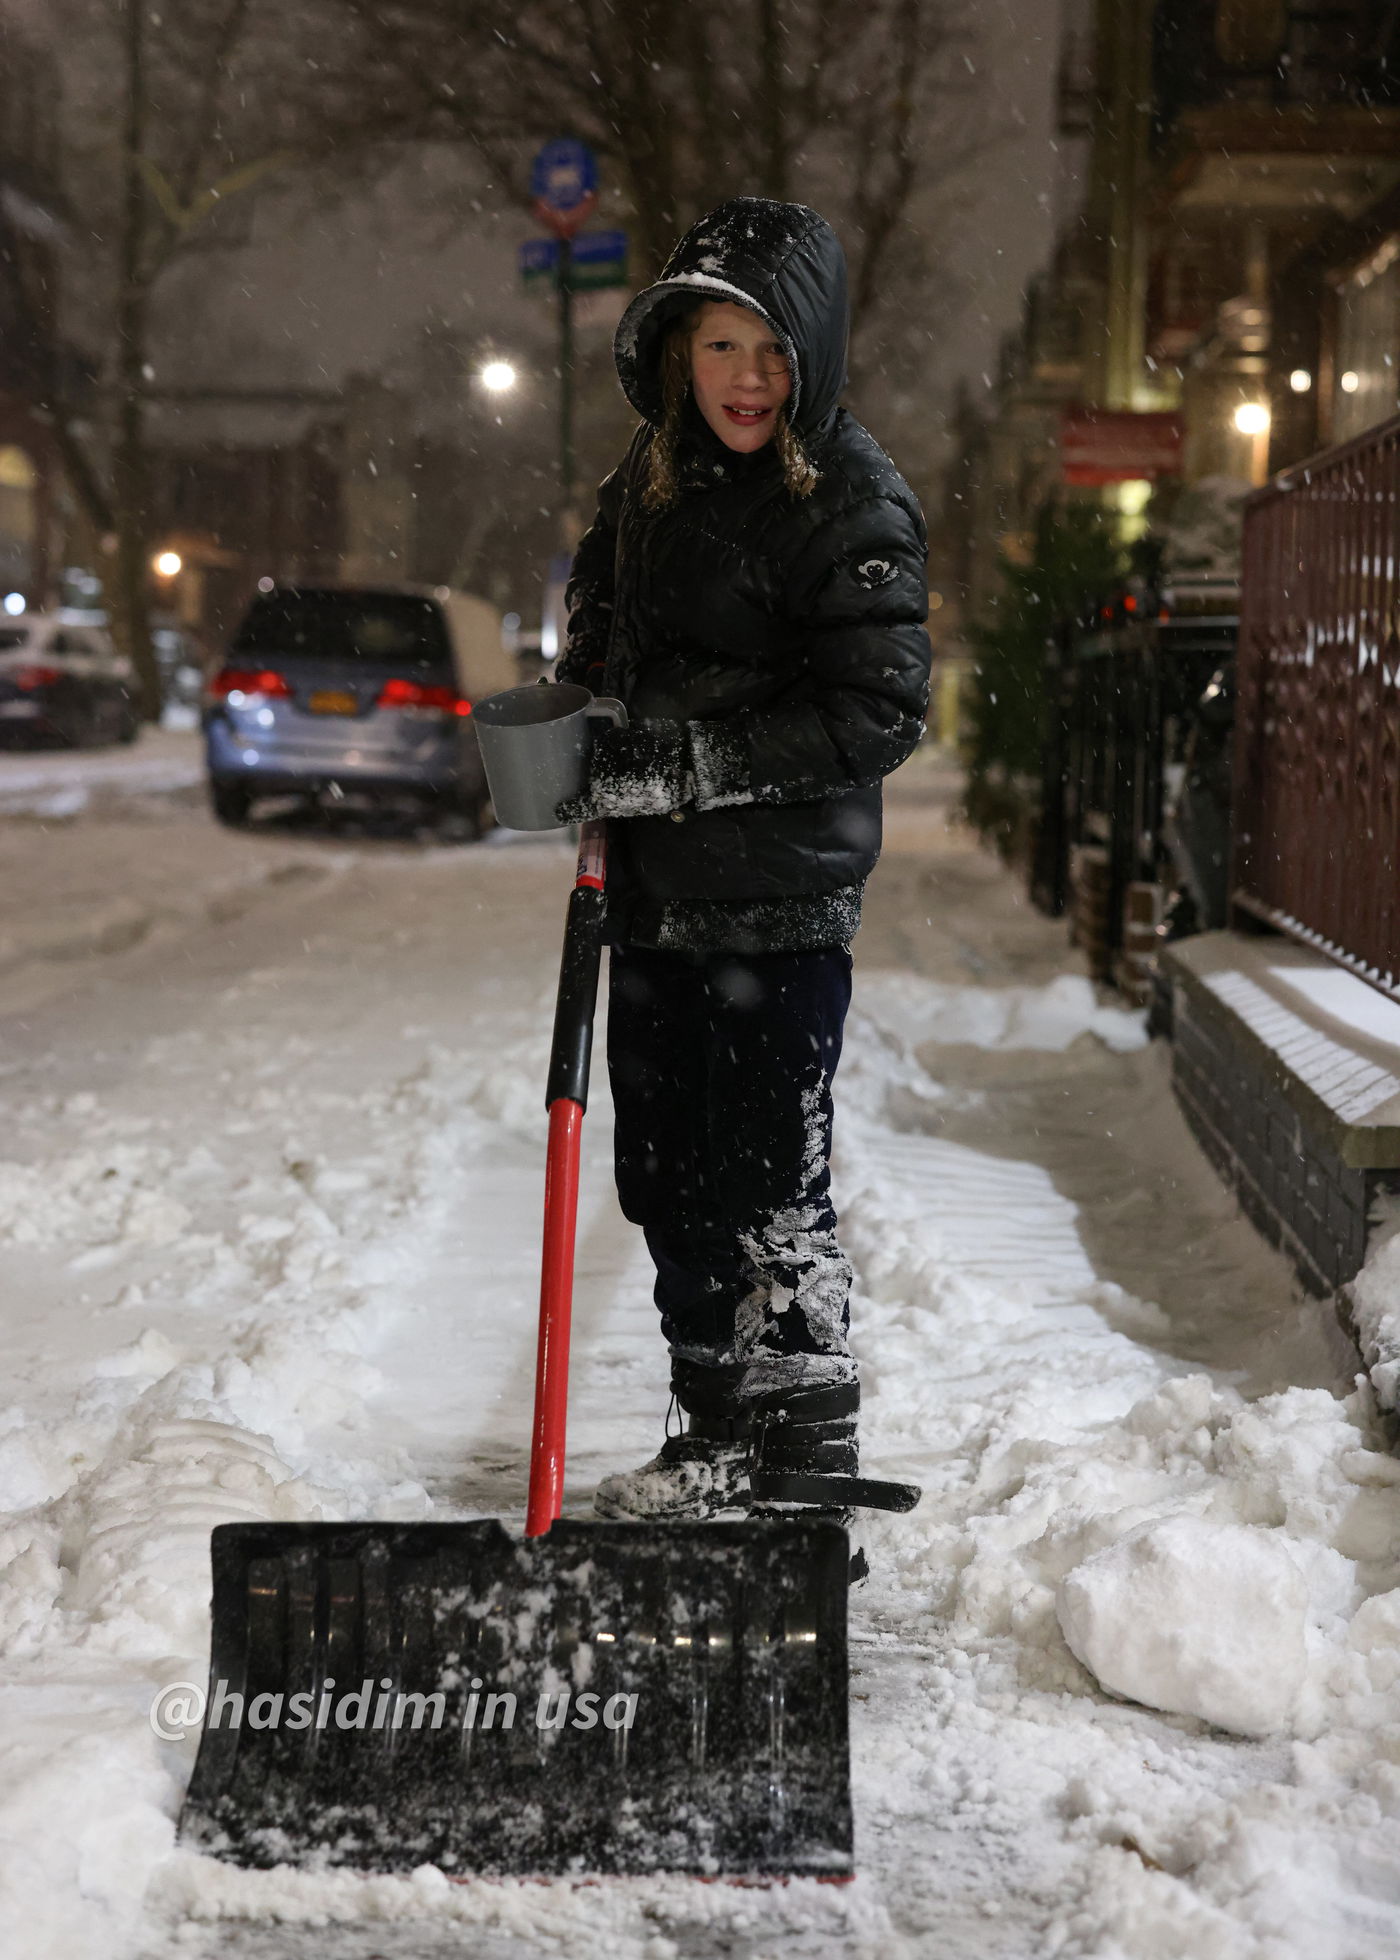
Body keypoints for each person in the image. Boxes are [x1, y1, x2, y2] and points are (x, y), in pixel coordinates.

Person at [555, 196, 931, 1526]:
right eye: (723, 346)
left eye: (774, 350)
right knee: (668, 1183)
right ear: (678, 354)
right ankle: (712, 1435)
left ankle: (805, 1463)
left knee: (774, 1192)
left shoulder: (847, 492)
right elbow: (605, 647)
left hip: (777, 915)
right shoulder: (645, 486)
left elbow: (878, 709)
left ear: (812, 357)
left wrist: (692, 766)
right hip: (656, 911)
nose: (749, 379)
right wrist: (574, 721)